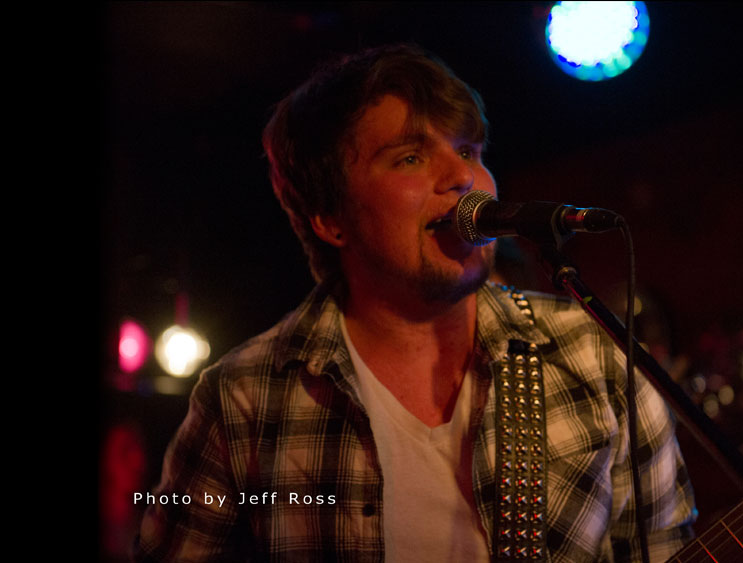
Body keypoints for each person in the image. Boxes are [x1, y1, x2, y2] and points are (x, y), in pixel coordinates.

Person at [133, 43, 696, 563]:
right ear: (330, 218)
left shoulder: (599, 355)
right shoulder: (244, 399)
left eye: (469, 150)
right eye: (409, 158)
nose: (462, 176)